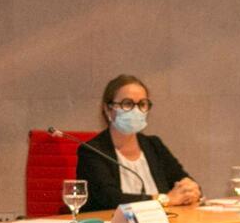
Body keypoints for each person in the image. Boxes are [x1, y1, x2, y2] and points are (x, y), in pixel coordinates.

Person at [75, 74, 200, 212]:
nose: (136, 110)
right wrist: (165, 199)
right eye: (127, 104)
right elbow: (109, 199)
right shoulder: (92, 150)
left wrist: (191, 190)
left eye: (141, 104)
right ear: (108, 109)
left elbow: (183, 180)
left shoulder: (153, 144)